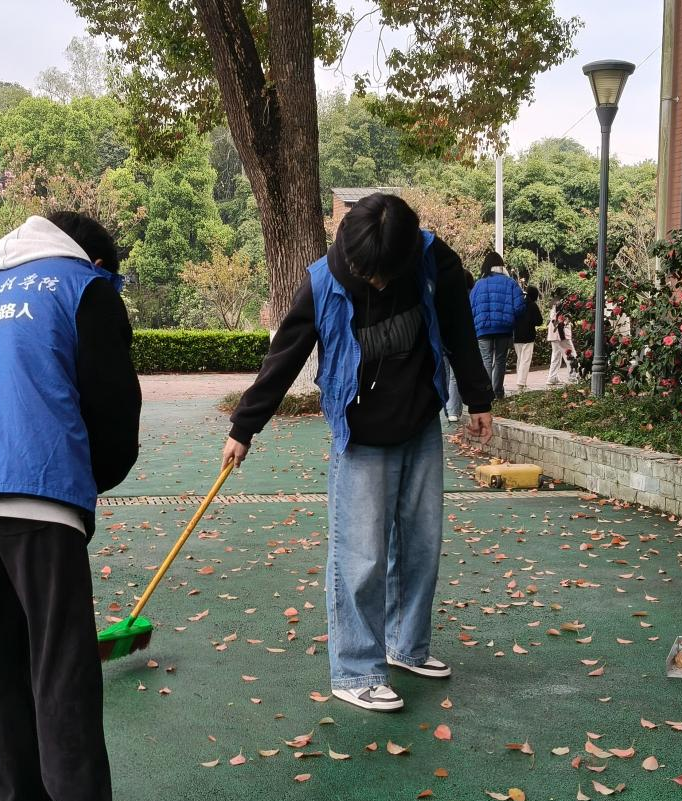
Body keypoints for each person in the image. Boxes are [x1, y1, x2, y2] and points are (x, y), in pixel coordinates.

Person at [0, 211, 175, 801]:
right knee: (62, 666)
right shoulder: (83, 287)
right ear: (97, 261)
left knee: (0, 661)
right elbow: (114, 410)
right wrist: (85, 478)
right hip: (38, 484)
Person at [222, 193, 494, 713]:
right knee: (361, 556)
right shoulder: (323, 282)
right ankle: (355, 670)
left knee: (420, 546)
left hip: (420, 423)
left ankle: (405, 646)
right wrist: (244, 427)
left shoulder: (432, 260)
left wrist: (478, 397)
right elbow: (285, 355)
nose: (379, 284)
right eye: (370, 276)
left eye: (387, 274)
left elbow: (459, 326)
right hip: (361, 435)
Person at [468, 251, 523, 399]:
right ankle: (497, 392)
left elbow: (470, 307)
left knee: (485, 359)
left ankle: (486, 393)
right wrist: (510, 318)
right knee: (500, 360)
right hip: (504, 329)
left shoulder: (478, 284)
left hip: (482, 329)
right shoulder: (510, 283)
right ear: (501, 265)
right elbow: (519, 307)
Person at [443, 270, 476, 422]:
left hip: (442, 339)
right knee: (454, 376)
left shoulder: (444, 293)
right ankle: (453, 410)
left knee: (445, 375)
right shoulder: (469, 296)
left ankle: (449, 408)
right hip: (458, 340)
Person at [512, 285, 544, 392]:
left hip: (516, 336)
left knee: (520, 359)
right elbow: (539, 321)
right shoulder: (533, 305)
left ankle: (520, 382)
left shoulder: (518, 304)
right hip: (528, 336)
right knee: (525, 360)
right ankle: (521, 384)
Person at [547, 305, 577, 385]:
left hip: (554, 334)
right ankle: (573, 377)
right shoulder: (563, 303)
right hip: (561, 334)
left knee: (556, 356)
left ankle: (552, 377)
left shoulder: (555, 304)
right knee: (571, 355)